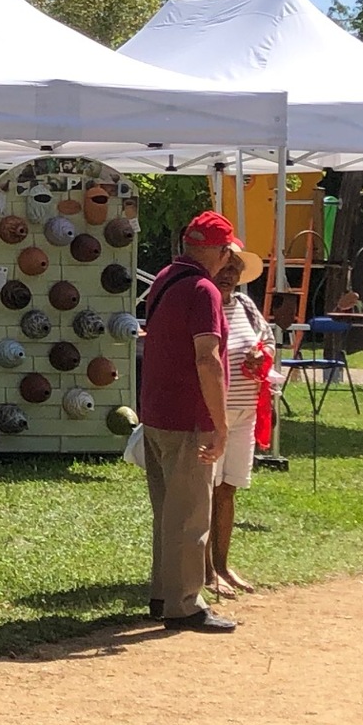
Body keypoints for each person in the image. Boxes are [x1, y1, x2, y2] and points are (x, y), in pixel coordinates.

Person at [139, 210, 236, 633]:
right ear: (218, 249)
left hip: (157, 414)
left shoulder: (165, 278)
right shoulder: (203, 290)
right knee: (192, 514)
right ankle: (184, 605)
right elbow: (207, 358)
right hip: (188, 418)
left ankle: (164, 594)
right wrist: (221, 423)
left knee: (168, 512)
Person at [210, 245, 272, 598]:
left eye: (236, 267)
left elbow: (267, 339)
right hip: (213, 414)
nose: (230, 273)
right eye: (225, 265)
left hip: (245, 412)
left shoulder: (246, 306)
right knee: (206, 491)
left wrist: (260, 355)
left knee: (228, 488)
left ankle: (222, 564)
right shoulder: (205, 303)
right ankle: (206, 571)